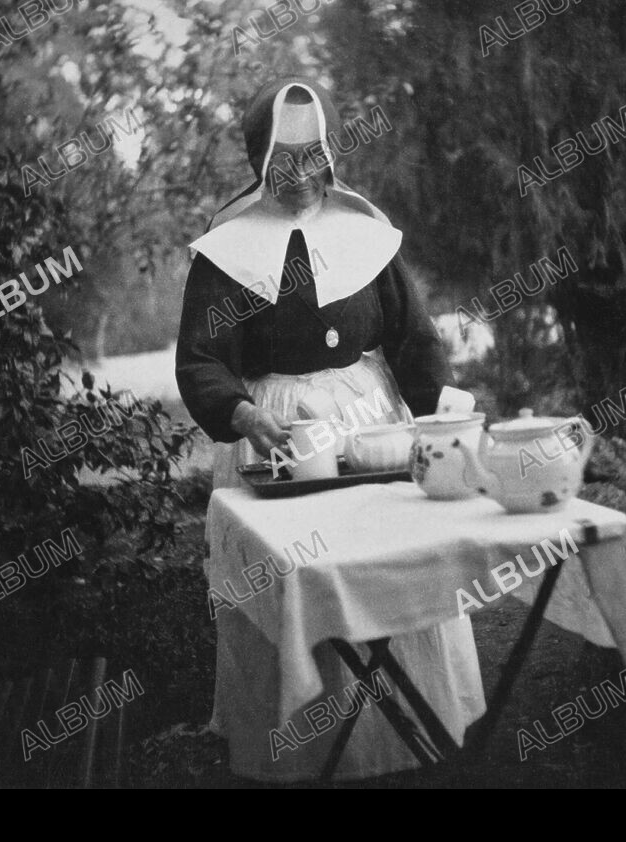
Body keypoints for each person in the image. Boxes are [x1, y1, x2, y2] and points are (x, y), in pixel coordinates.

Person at [176, 77, 485, 781]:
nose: (300, 175)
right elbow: (199, 358)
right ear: (260, 160)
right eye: (283, 161)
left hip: (371, 425)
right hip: (278, 437)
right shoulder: (228, 249)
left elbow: (412, 339)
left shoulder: (365, 231)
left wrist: (446, 416)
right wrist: (244, 414)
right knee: (302, 577)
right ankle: (312, 752)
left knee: (391, 563)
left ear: (330, 154)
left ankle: (409, 732)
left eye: (312, 156)